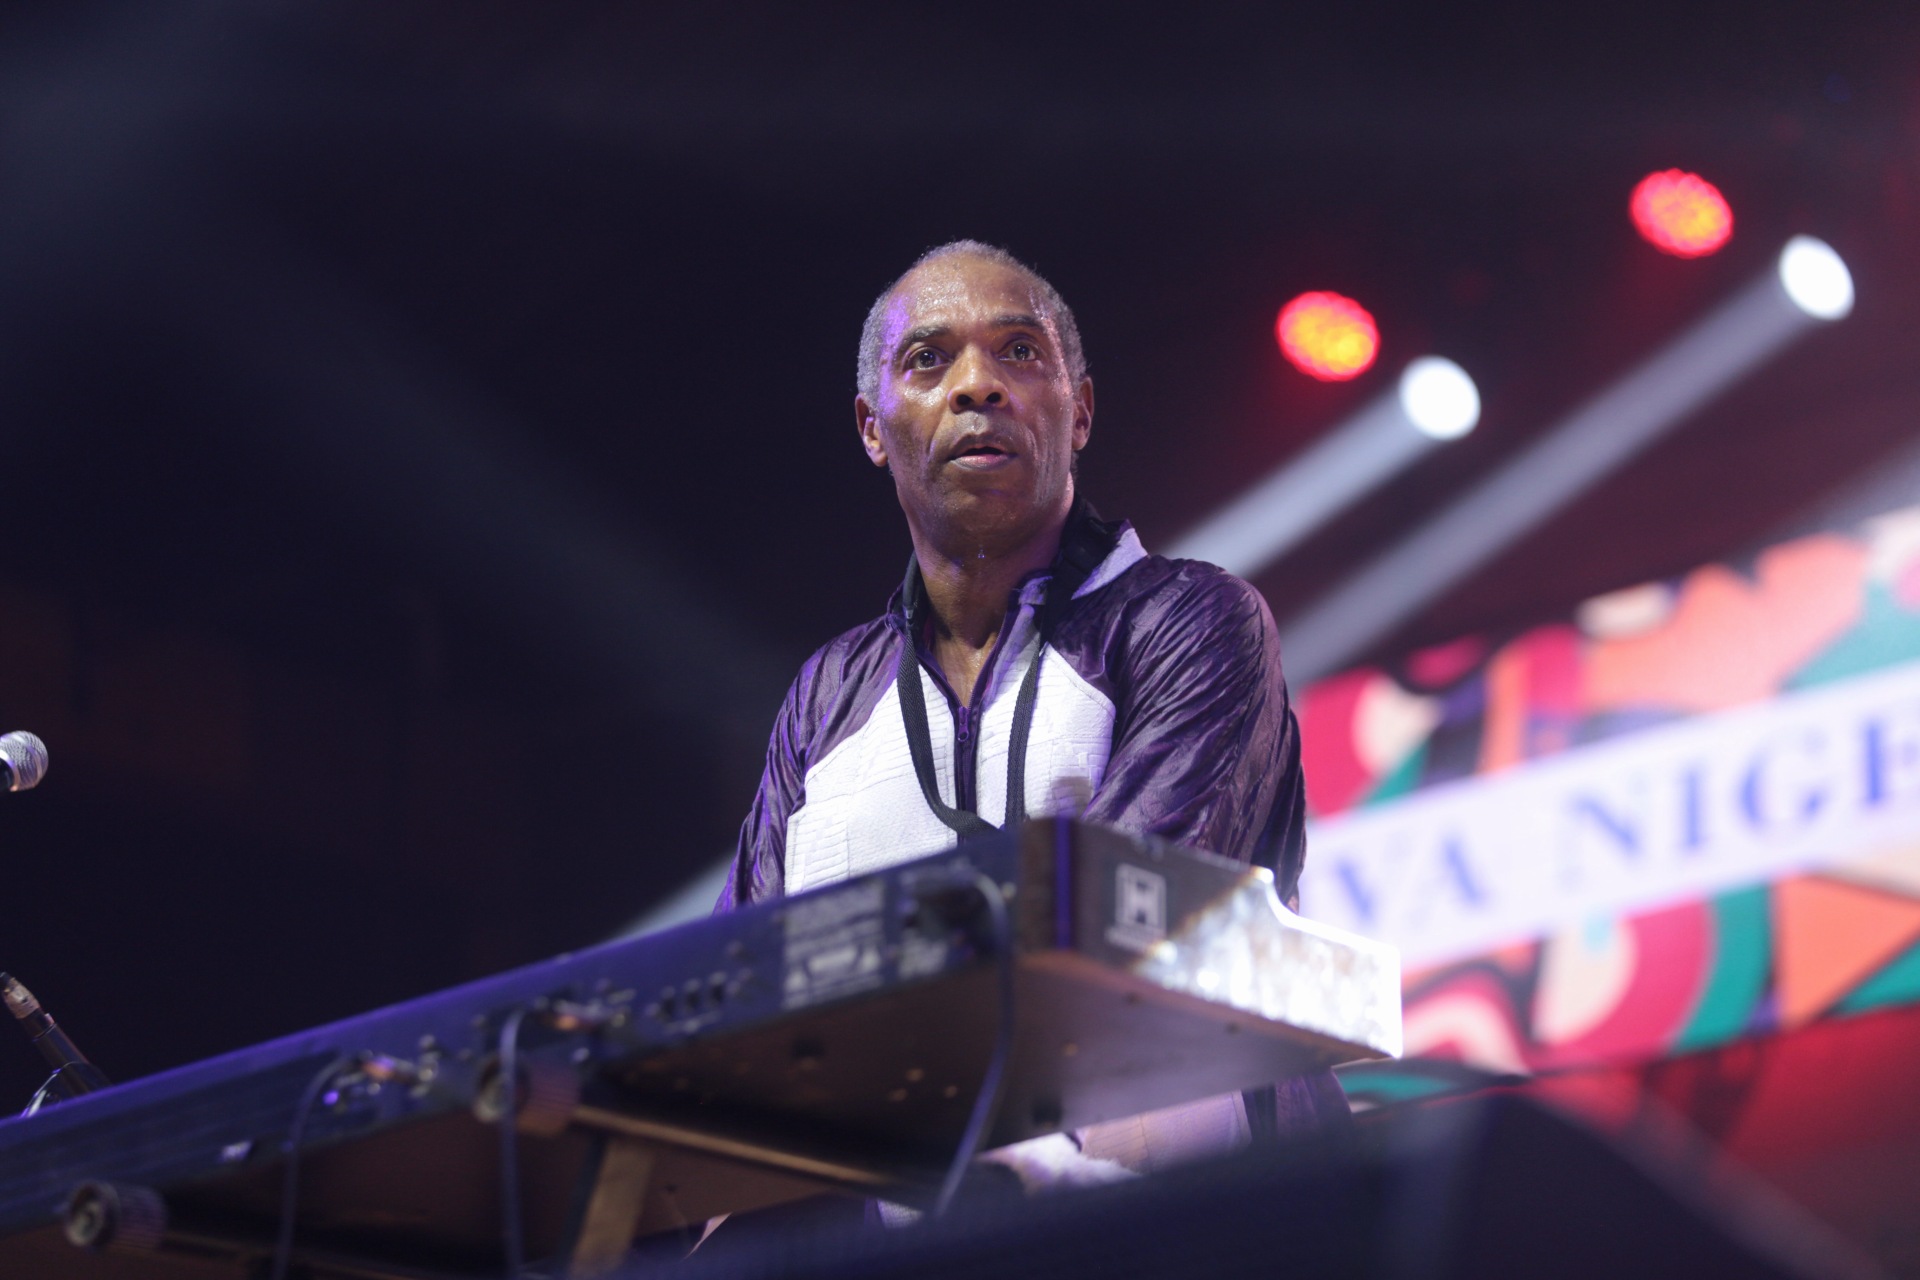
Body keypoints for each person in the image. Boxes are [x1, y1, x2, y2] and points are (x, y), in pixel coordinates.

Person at [718, 240, 1347, 1181]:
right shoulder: (824, 698)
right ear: (871, 427)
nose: (978, 385)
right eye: (928, 360)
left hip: (1182, 1227)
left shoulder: (1191, 620)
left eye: (1019, 352)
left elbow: (1119, 935)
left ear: (1080, 408)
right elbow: (746, 1001)